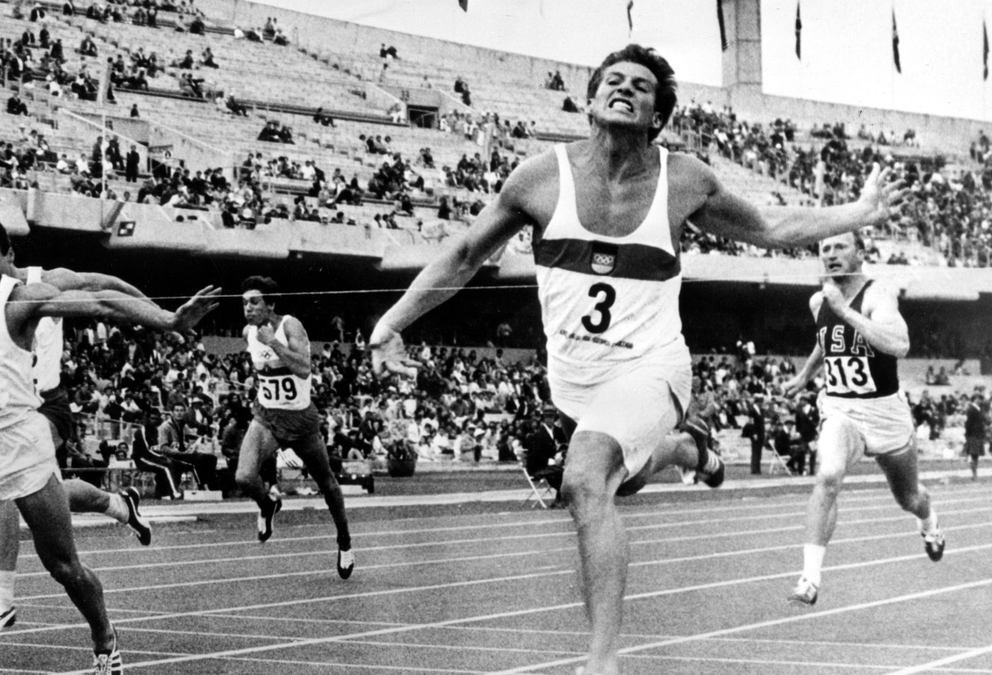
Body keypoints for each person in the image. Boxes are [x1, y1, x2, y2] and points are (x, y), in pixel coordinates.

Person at [369, 44, 903, 675]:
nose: (625, 88)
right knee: (620, 481)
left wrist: (859, 212)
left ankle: (601, 664)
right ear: (590, 99)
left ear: (657, 117)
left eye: (642, 86)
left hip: (652, 366)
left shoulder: (684, 181)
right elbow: (463, 255)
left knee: (584, 478)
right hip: (574, 381)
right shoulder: (538, 179)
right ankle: (683, 451)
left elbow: (769, 228)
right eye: (613, 81)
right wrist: (390, 323)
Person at [0, 205, 219, 674]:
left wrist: (168, 320)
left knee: (63, 566)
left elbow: (101, 300)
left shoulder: (20, 300)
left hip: (22, 447)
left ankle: (104, 637)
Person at [0, 252, 178, 636]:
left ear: (7, 255)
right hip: (1, 413)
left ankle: (2, 598)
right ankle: (119, 504)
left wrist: (163, 317)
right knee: (43, 499)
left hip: (45, 407)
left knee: (5, 483)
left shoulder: (49, 280)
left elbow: (109, 286)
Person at [783, 231, 943, 607]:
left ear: (860, 253)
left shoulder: (878, 294)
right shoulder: (819, 301)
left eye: (840, 246)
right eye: (825, 248)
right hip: (842, 408)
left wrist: (845, 311)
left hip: (885, 413)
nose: (831, 254)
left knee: (909, 498)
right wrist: (805, 375)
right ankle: (809, 578)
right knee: (828, 476)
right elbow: (826, 340)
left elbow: (899, 345)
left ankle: (930, 523)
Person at [236, 276, 354, 579]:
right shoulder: (248, 332)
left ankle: (344, 540)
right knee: (244, 477)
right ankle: (268, 505)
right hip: (267, 416)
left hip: (300, 419)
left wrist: (273, 343)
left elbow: (304, 369)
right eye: (244, 303)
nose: (247, 308)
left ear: (270, 304)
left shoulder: (290, 326)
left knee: (327, 482)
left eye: (254, 302)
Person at [964, 393, 986, 479]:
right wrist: (968, 435)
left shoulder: (978, 409)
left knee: (976, 455)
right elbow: (968, 424)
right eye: (979, 399)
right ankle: (974, 474)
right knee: (974, 455)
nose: (980, 401)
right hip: (973, 435)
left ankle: (975, 474)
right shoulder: (971, 409)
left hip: (978, 434)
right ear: (976, 399)